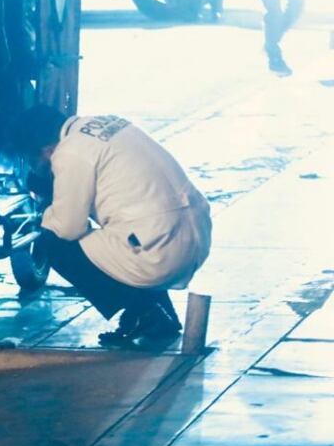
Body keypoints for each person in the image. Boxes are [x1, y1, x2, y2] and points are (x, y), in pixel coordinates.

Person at [12, 106, 212, 347]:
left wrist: (47, 210)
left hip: (162, 250)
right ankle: (161, 314)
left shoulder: (69, 152)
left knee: (53, 242)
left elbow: (68, 228)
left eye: (35, 161)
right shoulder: (109, 123)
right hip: (194, 234)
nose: (38, 168)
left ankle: (144, 314)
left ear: (46, 150)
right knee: (128, 231)